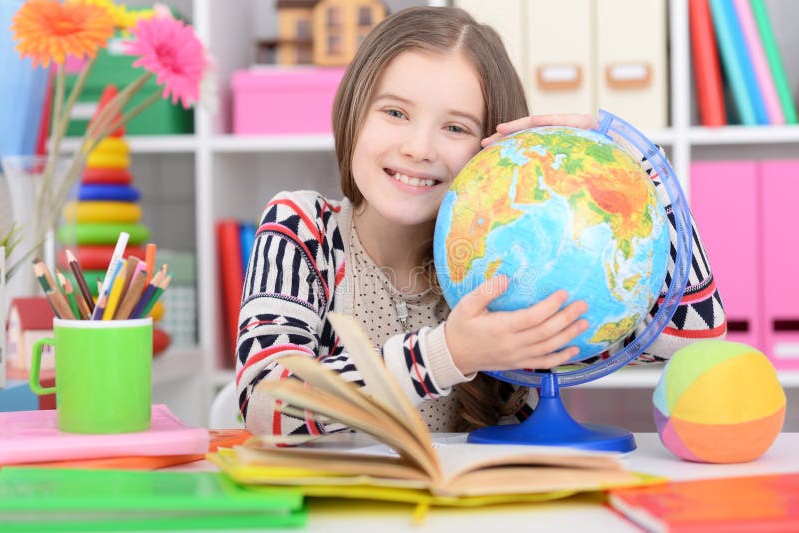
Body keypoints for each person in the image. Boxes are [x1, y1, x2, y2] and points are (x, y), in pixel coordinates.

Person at [235, 6, 726, 437]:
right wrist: (450, 353)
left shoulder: (520, 259)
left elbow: (691, 339)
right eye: (395, 112)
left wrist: (642, 161)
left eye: (455, 127)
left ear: (495, 148)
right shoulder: (304, 228)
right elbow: (265, 403)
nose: (419, 148)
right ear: (353, 113)